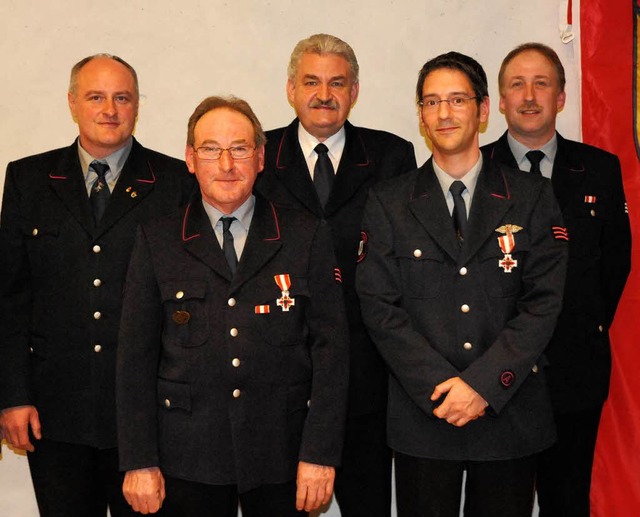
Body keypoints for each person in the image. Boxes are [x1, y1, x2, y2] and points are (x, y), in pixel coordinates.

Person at [356, 51, 569, 516]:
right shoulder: (389, 202)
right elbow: (379, 306)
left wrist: (483, 387)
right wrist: (441, 385)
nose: (444, 113)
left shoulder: (531, 197)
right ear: (420, 117)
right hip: (425, 417)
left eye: (457, 100)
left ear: (484, 110)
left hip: (507, 412)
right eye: (431, 102)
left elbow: (543, 302)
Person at [116, 96, 349, 517]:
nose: (226, 164)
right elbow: (135, 356)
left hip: (281, 454)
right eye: (210, 149)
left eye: (240, 148)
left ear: (261, 158)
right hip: (187, 458)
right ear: (190, 158)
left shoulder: (305, 235)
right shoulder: (158, 239)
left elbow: (332, 353)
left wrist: (320, 454)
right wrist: (139, 460)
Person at [0, 54, 194, 516]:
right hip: (54, 412)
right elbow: (9, 298)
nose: (110, 108)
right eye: (96, 96)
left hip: (148, 416)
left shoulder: (173, 183)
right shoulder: (28, 179)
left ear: (136, 107)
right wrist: (12, 396)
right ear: (72, 103)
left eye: (122, 97)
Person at [256, 33, 416, 517]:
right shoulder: (256, 155)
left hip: (366, 376)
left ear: (355, 91)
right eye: (311, 81)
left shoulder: (392, 157)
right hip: (275, 375)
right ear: (290, 89)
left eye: (337, 83)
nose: (324, 94)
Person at [482, 42, 632, 516]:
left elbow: (613, 267)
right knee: (498, 505)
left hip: (574, 371)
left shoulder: (600, 170)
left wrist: (573, 325)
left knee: (567, 502)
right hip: (494, 374)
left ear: (562, 97)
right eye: (516, 85)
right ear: (499, 102)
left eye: (542, 83)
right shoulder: (474, 171)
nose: (529, 96)